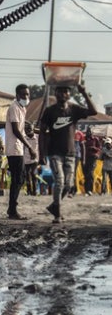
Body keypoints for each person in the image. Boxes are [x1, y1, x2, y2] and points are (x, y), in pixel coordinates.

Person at [39, 84, 97, 224]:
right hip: (54, 153)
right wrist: (41, 153)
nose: (62, 94)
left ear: (69, 95)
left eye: (66, 91)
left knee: (68, 185)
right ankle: (57, 213)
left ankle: (53, 206)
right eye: (60, 91)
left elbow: (93, 111)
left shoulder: (74, 110)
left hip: (70, 154)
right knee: (59, 182)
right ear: (55, 93)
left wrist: (83, 92)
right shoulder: (49, 111)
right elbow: (42, 132)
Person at [4, 83, 36, 220]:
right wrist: (29, 146)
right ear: (17, 95)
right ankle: (12, 210)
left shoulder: (22, 108)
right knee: (18, 179)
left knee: (20, 178)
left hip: (18, 148)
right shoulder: (14, 107)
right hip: (14, 148)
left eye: (27, 94)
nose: (26, 97)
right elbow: (16, 130)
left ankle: (12, 208)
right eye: (23, 94)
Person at [23, 122, 40, 196]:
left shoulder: (37, 137)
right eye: (26, 130)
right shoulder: (24, 138)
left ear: (33, 129)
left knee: (33, 174)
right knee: (27, 175)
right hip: (26, 160)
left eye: (29, 129)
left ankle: (35, 190)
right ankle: (29, 190)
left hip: (35, 159)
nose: (28, 131)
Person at [83, 125, 101, 195]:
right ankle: (86, 190)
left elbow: (99, 148)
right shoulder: (84, 139)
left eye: (90, 131)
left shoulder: (95, 139)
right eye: (87, 131)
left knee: (90, 173)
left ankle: (90, 190)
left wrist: (94, 148)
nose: (88, 132)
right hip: (85, 158)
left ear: (92, 132)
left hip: (93, 158)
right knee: (86, 174)